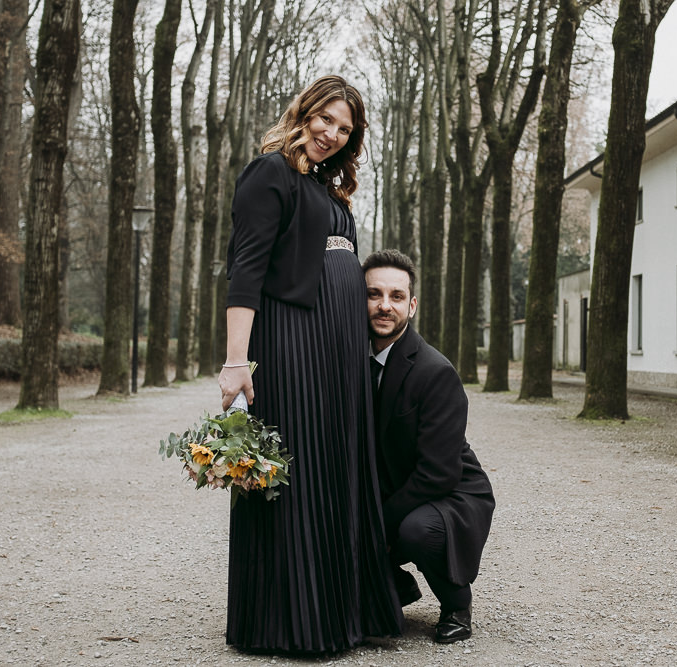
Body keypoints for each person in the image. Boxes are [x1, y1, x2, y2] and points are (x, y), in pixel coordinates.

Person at [217, 75, 402, 654]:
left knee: (336, 465)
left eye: (345, 129)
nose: (332, 134)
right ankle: (292, 622)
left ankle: (341, 610)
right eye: (326, 119)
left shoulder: (326, 186)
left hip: (338, 348)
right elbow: (246, 270)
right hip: (293, 340)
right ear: (303, 113)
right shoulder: (269, 172)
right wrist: (237, 361)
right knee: (298, 468)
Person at [362, 249, 495, 644]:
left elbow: (438, 473)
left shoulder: (435, 372)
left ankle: (456, 603)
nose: (385, 306)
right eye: (373, 294)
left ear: (412, 305)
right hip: (394, 488)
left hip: (450, 492)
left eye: (396, 296)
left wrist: (378, 522)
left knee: (417, 530)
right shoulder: (349, 361)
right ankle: (394, 585)